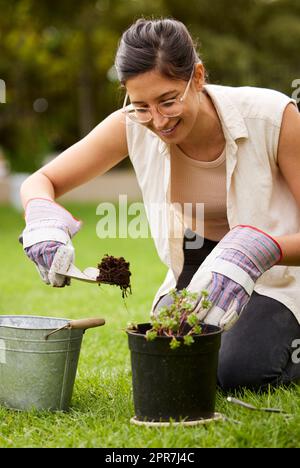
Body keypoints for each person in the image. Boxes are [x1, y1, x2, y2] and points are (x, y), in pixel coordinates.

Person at [20, 18, 300, 391]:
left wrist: (262, 249)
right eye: (141, 106)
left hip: (280, 265)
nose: (158, 120)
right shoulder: (131, 124)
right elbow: (42, 181)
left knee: (239, 372)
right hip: (197, 258)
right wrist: (42, 215)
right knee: (174, 357)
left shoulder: (272, 117)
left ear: (197, 77)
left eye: (168, 100)